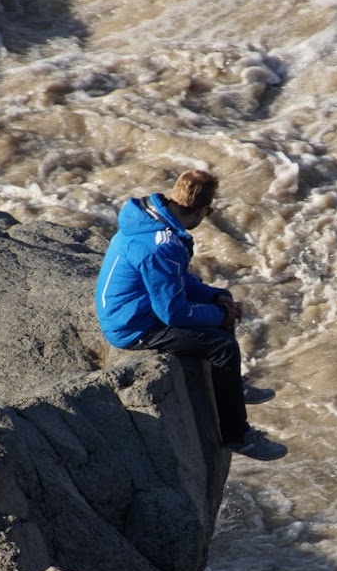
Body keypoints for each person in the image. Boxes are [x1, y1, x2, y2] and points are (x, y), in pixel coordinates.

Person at [94, 169, 287, 461]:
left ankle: (233, 385)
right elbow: (173, 312)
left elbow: (177, 280)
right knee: (223, 347)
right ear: (201, 210)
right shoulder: (160, 246)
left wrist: (214, 297)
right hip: (133, 325)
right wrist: (220, 313)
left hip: (141, 307)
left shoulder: (151, 219)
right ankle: (237, 436)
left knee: (222, 306)